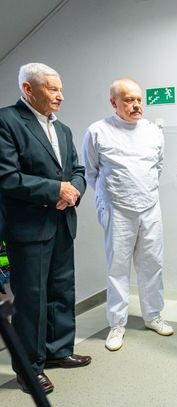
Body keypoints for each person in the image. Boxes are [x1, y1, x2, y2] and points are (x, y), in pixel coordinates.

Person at [0, 63, 90, 394]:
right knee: (32, 300)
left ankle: (58, 350)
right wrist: (56, 190)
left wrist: (74, 189)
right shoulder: (7, 121)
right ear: (28, 89)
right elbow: (7, 177)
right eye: (53, 89)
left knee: (61, 290)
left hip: (62, 222)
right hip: (28, 228)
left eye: (60, 89)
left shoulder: (62, 129)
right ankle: (29, 369)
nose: (61, 96)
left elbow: (77, 169)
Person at [82, 78, 173, 352]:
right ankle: (117, 324)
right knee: (117, 268)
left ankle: (153, 316)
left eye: (139, 100)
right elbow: (91, 172)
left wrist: (143, 191)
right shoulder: (97, 131)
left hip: (150, 206)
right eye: (129, 100)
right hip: (116, 209)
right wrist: (109, 197)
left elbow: (158, 166)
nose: (136, 105)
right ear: (114, 103)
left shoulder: (153, 132)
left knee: (153, 264)